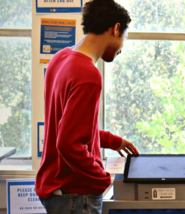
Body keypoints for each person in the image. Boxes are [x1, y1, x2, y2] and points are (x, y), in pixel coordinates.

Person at [35, 0, 138, 213]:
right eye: (125, 38)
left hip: (56, 190)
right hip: (76, 195)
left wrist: (111, 141)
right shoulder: (89, 75)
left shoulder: (60, 59)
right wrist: (101, 179)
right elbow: (68, 143)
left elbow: (65, 127)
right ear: (116, 28)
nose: (122, 48)